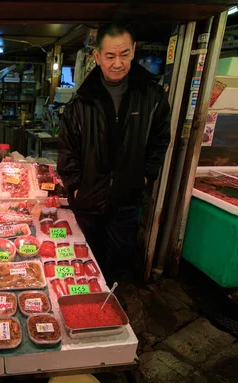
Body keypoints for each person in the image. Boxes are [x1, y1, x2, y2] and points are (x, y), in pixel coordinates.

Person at [57, 23, 171, 282]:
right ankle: (85, 306)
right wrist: (75, 186)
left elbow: (160, 140)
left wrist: (145, 176)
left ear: (134, 51)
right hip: (88, 200)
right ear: (97, 57)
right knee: (84, 260)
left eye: (124, 54)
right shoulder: (82, 100)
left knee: (119, 261)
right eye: (109, 56)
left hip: (126, 199)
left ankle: (112, 309)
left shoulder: (152, 96)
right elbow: (67, 148)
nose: (117, 63)